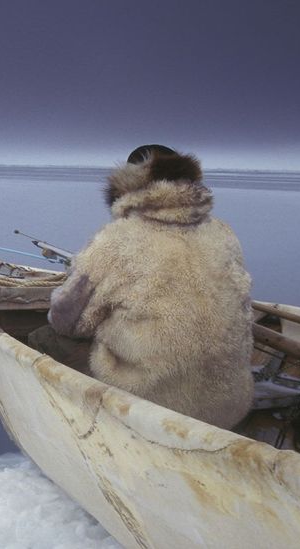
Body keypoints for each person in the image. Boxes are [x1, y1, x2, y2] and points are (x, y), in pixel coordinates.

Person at [32, 145, 254, 429]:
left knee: (43, 337)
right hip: (230, 402)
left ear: (127, 182)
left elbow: (67, 321)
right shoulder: (224, 233)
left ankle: (67, 429)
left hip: (154, 407)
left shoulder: (114, 241)